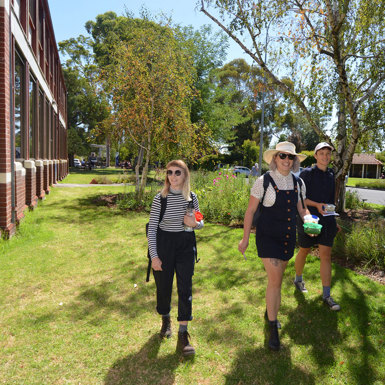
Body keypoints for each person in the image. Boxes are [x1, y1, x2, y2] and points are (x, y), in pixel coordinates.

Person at [238, 142, 309, 351]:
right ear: (274, 159)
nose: (287, 160)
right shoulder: (263, 182)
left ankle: (269, 309)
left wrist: (309, 222)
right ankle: (273, 328)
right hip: (267, 237)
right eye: (282, 156)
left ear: (294, 160)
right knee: (276, 281)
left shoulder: (298, 183)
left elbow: (303, 210)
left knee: (275, 281)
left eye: (290, 157)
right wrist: (245, 238)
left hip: (287, 237)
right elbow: (250, 211)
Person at [147, 160, 204, 357]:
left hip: (185, 245)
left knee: (185, 287)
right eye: (169, 172)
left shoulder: (192, 198)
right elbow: (152, 228)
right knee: (163, 286)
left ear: (185, 175)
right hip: (164, 244)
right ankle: (165, 318)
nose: (173, 176)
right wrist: (154, 256)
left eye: (177, 172)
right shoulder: (159, 199)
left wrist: (195, 223)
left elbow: (200, 220)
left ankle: (183, 333)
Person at [293, 142, 341, 311]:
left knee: (326, 255)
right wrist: (317, 204)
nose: (325, 157)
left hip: (327, 220)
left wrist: (334, 221)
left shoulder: (331, 175)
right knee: (304, 250)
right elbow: (300, 199)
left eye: (328, 154)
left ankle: (326, 295)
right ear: (315, 156)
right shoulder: (306, 174)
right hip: (308, 217)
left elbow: (330, 202)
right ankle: (298, 279)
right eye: (322, 153)